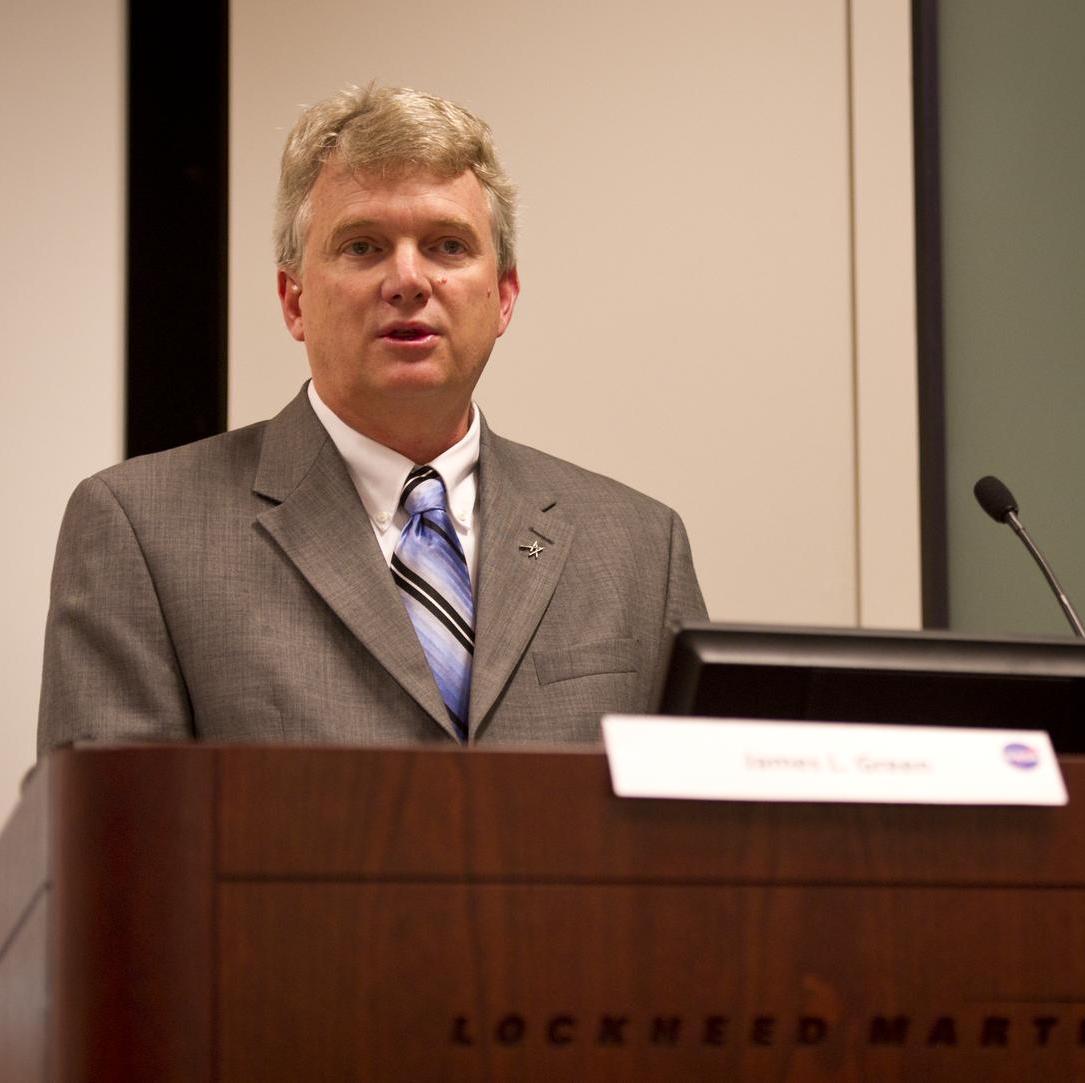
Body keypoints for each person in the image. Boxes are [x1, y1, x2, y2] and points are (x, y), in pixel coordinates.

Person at [37, 84, 706, 754]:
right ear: (293, 300)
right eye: (363, 246)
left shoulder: (641, 548)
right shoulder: (142, 531)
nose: (408, 280)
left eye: (448, 245)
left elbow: (704, 814)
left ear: (504, 296)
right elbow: (112, 818)